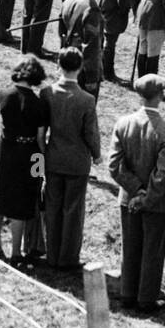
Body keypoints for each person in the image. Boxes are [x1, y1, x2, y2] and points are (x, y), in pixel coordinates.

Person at [109, 74, 165, 312]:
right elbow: (162, 174)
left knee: (130, 244)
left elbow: (115, 167)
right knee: (153, 249)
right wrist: (146, 196)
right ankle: (146, 297)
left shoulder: (123, 123)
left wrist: (135, 191)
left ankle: (128, 292)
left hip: (128, 198)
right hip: (155, 202)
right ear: (160, 96)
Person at [41, 47, 101, 270]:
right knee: (73, 211)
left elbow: (42, 128)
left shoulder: (47, 93)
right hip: (77, 162)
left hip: (53, 158)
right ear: (81, 67)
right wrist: (97, 155)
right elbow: (90, 133)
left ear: (58, 64)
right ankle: (68, 258)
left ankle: (52, 254)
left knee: (53, 206)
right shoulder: (87, 100)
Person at [0, 56, 50, 263]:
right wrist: (42, 163)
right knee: (22, 201)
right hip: (30, 153)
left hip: (5, 148)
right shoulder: (38, 104)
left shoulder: (3, 94)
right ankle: (16, 252)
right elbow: (41, 138)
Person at [58, 0, 105, 99]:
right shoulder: (91, 8)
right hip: (83, 70)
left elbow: (62, 34)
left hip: (68, 63)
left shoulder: (68, 1)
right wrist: (91, 77)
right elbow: (91, 46)